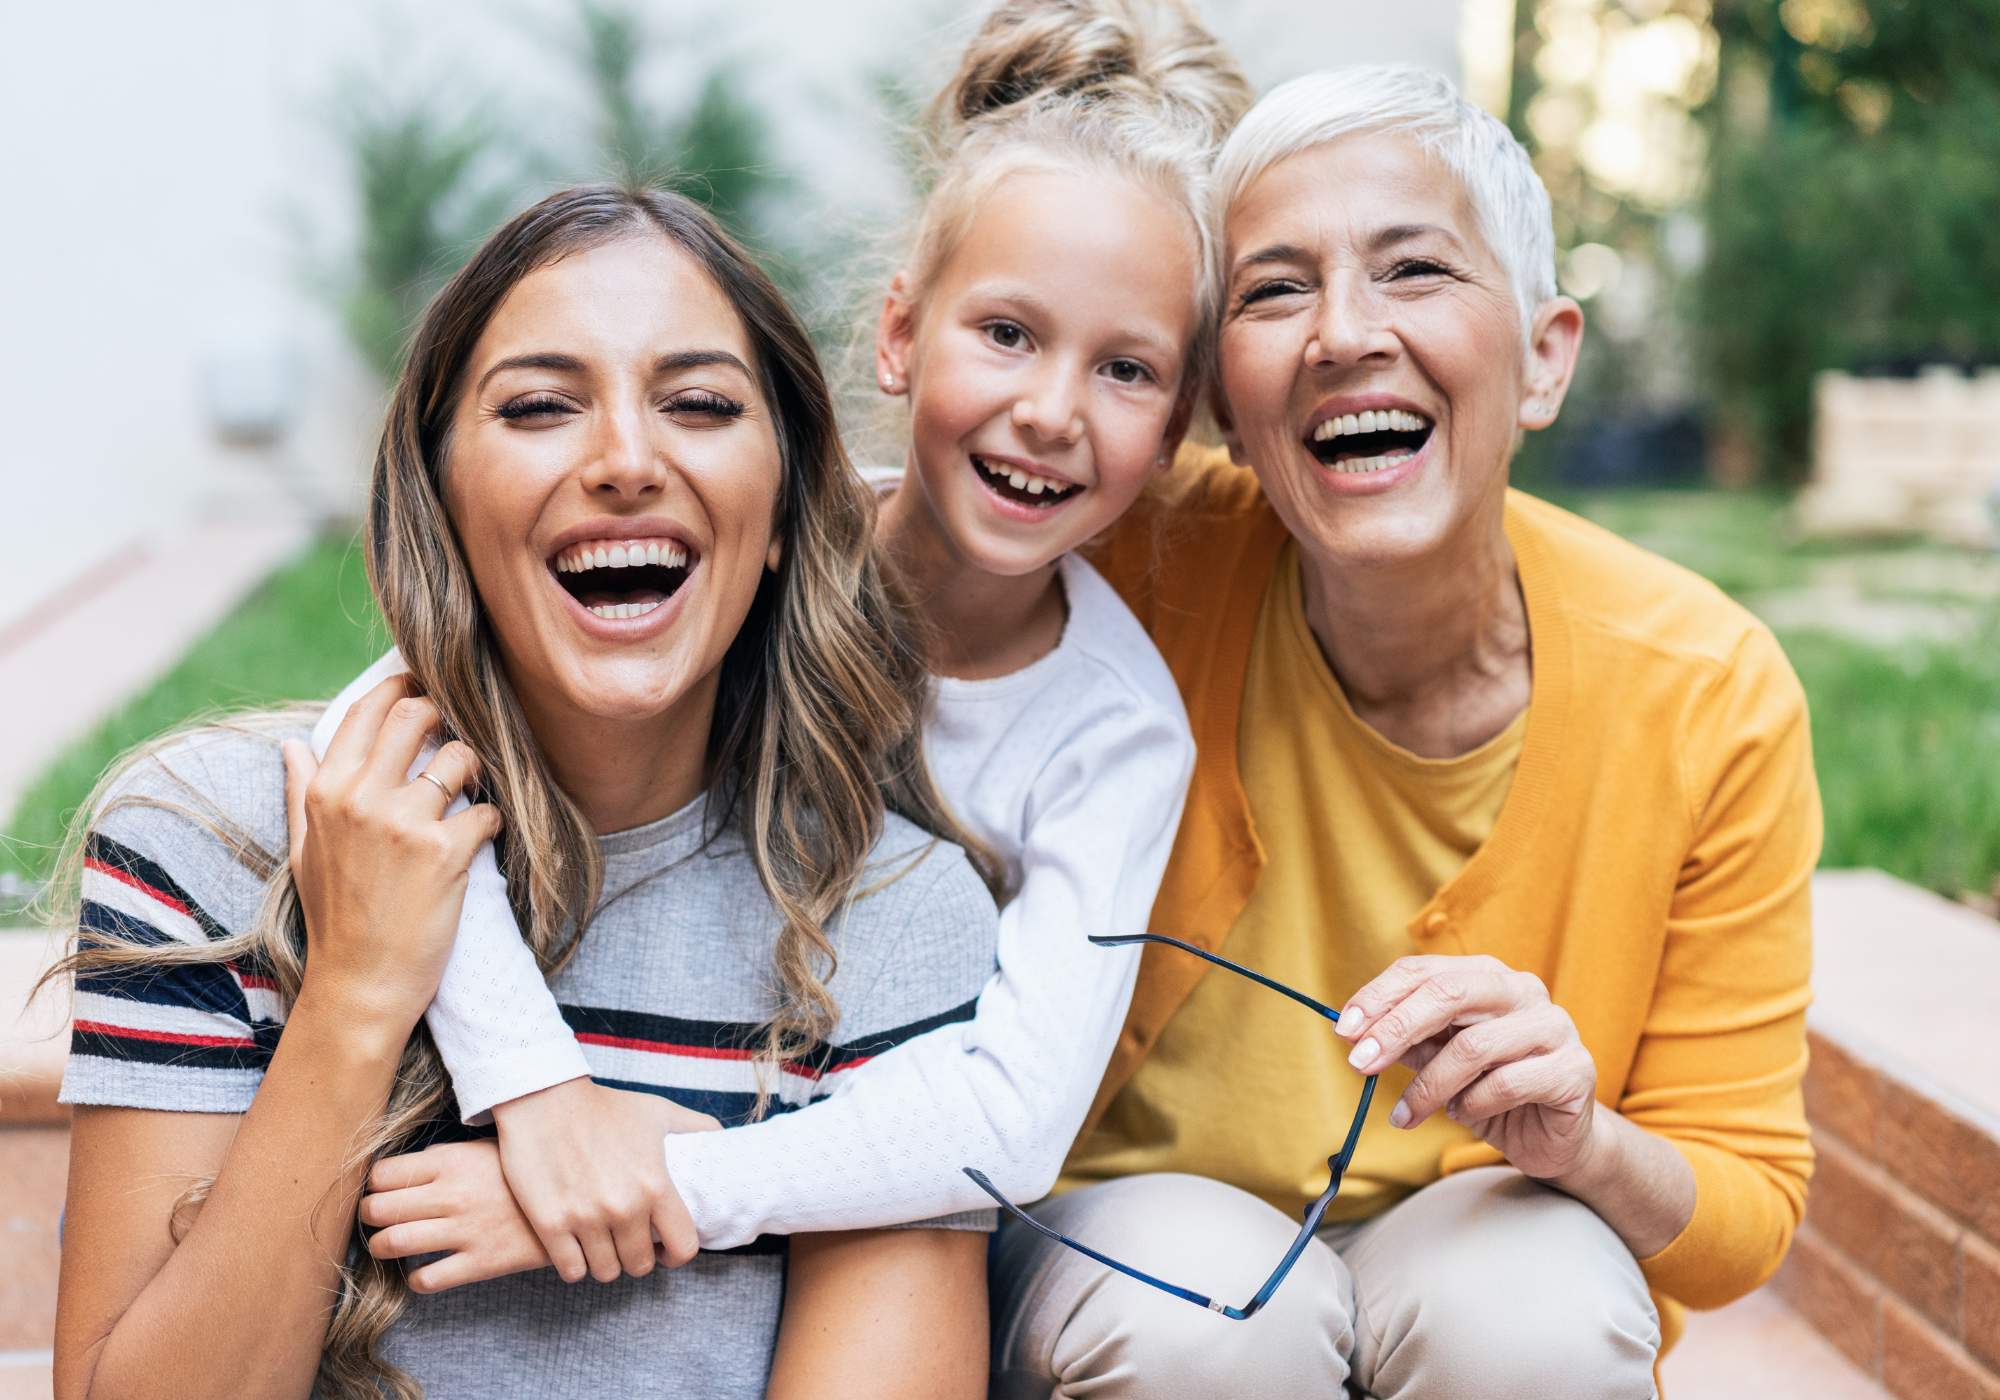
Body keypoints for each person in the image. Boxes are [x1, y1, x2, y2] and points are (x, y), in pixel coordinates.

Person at [319, 0, 1250, 1287]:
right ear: (897, 336)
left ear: (1183, 420)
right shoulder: (744, 548)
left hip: (889, 1235)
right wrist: (538, 1091)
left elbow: (1010, 1121)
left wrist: (643, 1181)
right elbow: (377, 728)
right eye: (1007, 334)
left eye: (1127, 371)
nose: (1050, 412)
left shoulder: (1113, 733)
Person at [48, 185, 1000, 1400]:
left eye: (699, 404)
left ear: (780, 513)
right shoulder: (203, 836)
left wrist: (690, 1176)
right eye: (541, 406)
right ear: (442, 497)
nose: (623, 461)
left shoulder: (896, 913)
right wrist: (357, 991)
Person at [991, 66, 1820, 1398]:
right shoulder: (1125, 568)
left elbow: (1740, 1218)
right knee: (1210, 1324)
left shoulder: (1704, 688)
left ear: (1548, 355)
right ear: (1223, 403)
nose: (1342, 334)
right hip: (1135, 1220)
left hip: (1480, 1218)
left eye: (1413, 269)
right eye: (1273, 289)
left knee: (1535, 1313)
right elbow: (874, 555)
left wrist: (1582, 1137)